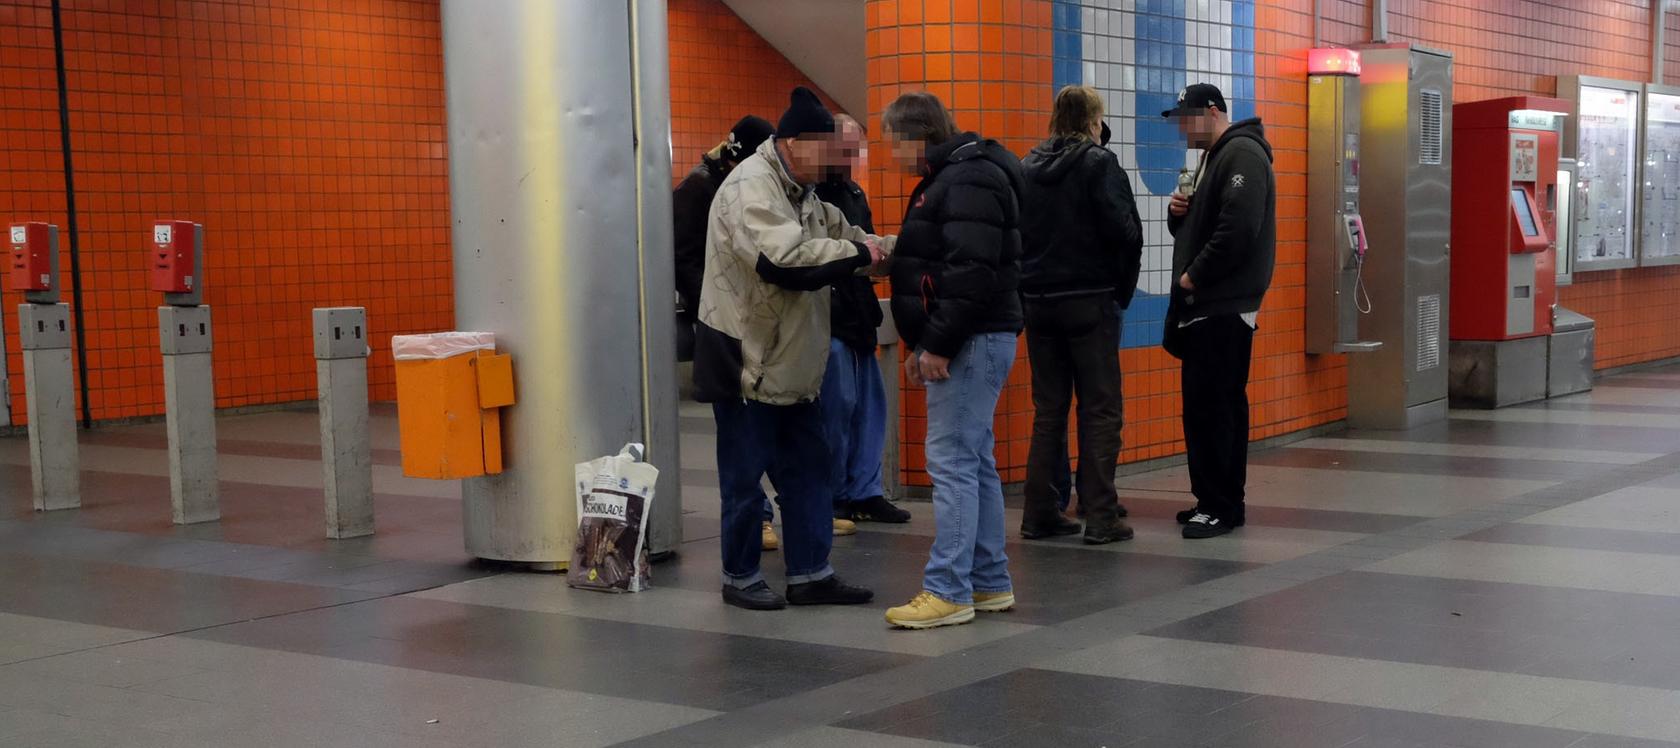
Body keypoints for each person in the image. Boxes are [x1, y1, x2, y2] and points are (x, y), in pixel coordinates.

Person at [694, 87, 893, 610]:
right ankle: (739, 577)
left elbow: (851, 236)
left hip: (794, 366)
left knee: (810, 471)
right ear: (795, 143)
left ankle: (811, 574)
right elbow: (782, 259)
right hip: (747, 361)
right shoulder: (751, 189)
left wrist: (899, 248)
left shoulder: (804, 193)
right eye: (828, 150)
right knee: (743, 478)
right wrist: (857, 252)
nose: (836, 163)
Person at [879, 92, 1025, 630]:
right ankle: (987, 581)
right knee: (975, 459)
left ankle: (948, 589)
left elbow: (972, 273)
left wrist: (937, 343)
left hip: (970, 340)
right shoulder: (963, 174)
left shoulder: (966, 179)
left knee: (953, 463)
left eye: (892, 143)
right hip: (974, 336)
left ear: (913, 137)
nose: (891, 155)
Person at [1018, 85, 1143, 545]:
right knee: (1101, 408)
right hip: (1090, 299)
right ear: (1095, 121)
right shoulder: (1098, 162)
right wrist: (1119, 289)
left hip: (1039, 303)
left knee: (1048, 410)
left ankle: (1040, 512)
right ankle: (1100, 515)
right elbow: (1125, 231)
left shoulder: (1026, 166)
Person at [1160, 83, 1276, 540]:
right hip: (1209, 305)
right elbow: (1204, 224)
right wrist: (1177, 214)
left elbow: (1238, 229)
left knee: (1215, 409)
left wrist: (1194, 277)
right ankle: (1218, 499)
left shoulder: (1242, 153)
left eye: (1188, 120)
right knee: (1210, 408)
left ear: (1212, 112)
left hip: (1221, 305)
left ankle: (1220, 506)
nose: (1184, 131)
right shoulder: (1212, 158)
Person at [817, 114, 913, 527]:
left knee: (869, 408)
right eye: (847, 148)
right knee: (835, 411)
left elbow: (867, 244)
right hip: (831, 318)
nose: (853, 157)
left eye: (857, 148)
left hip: (859, 314)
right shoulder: (812, 194)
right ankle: (834, 493)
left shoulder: (854, 192)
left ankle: (865, 490)